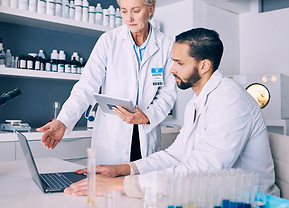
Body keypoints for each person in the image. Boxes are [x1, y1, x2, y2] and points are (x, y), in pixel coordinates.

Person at [64, 28, 280, 198]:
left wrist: (117, 185)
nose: (171, 69)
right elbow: (176, 154)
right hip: (213, 195)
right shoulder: (197, 101)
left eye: (179, 62)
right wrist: (121, 170)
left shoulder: (231, 102)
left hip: (248, 201)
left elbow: (201, 171)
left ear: (204, 65)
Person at [37, 0, 177, 164]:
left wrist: (148, 116)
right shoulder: (108, 41)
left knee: (141, 187)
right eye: (124, 11)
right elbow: (87, 85)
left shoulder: (167, 45)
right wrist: (63, 121)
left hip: (145, 133)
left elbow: (168, 92)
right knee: (106, 189)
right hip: (112, 137)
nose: (129, 18)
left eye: (136, 10)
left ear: (150, 9)